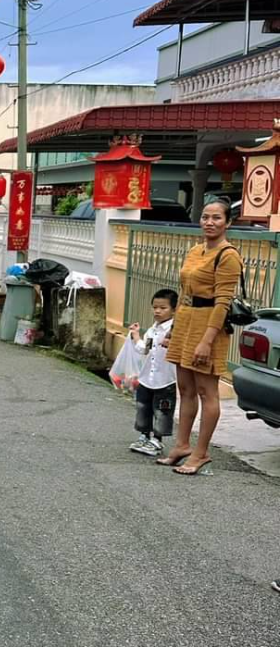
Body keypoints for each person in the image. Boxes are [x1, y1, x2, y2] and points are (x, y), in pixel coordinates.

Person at [156, 197, 243, 475]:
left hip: (209, 326)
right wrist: (173, 328)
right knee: (185, 389)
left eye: (217, 217)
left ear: (228, 222)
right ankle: (182, 445)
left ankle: (201, 452)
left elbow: (223, 302)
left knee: (207, 392)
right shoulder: (195, 251)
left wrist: (207, 340)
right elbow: (184, 294)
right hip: (186, 321)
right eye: (206, 216)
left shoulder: (228, 255)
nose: (209, 222)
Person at [126, 289, 178, 457]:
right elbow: (144, 349)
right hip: (147, 378)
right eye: (155, 307)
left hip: (166, 380)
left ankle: (157, 440)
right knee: (143, 408)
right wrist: (135, 335)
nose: (157, 311)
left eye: (163, 308)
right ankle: (143, 435)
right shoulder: (152, 330)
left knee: (162, 411)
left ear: (174, 309)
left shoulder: (175, 330)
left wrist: (172, 343)